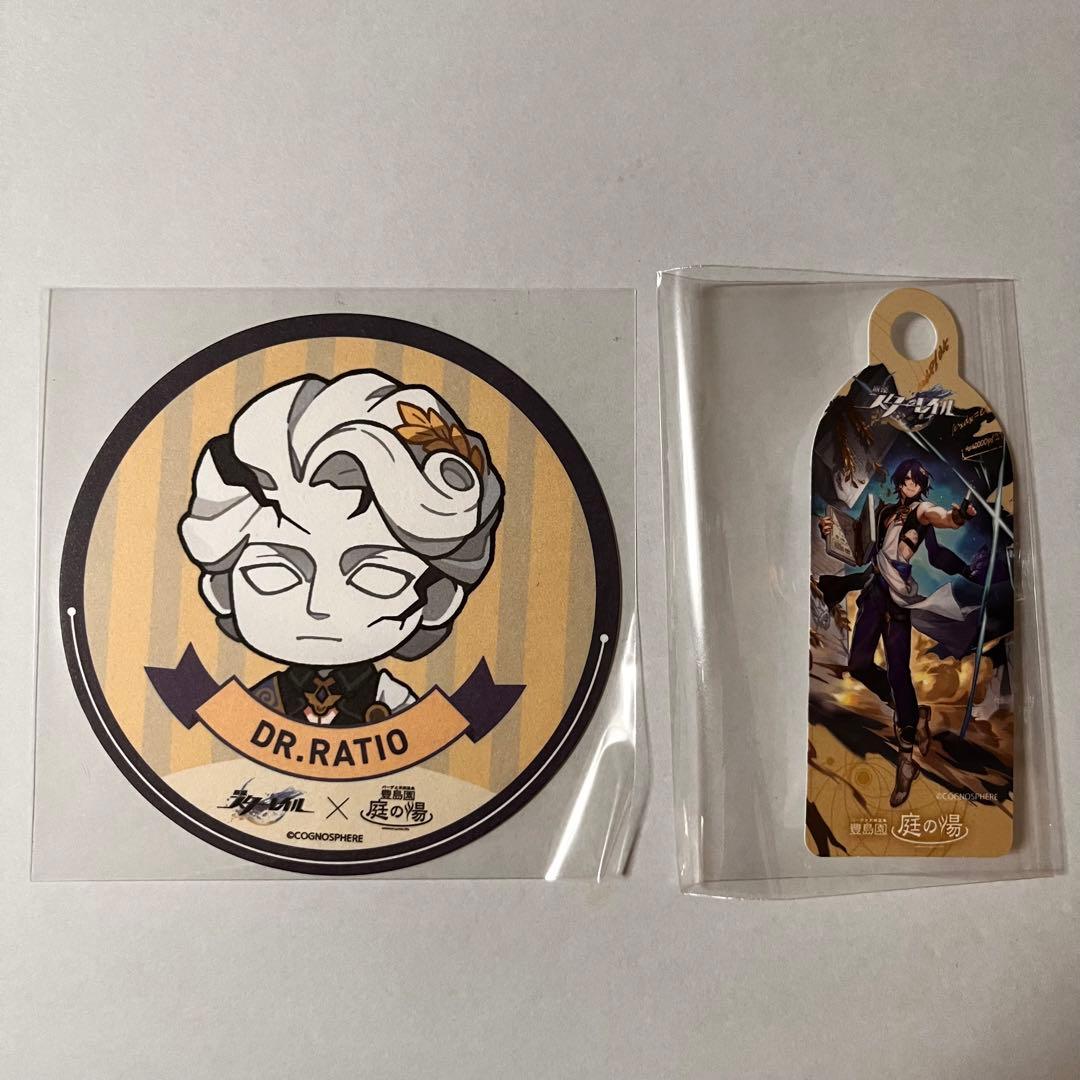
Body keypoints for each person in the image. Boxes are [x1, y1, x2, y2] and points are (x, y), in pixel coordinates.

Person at [179, 370, 504, 727]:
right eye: (274, 573)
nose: (319, 607)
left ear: (439, 599)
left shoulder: (398, 706)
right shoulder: (253, 709)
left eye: (376, 576)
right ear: (221, 589)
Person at [818, 460, 984, 806]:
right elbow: (859, 549)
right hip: (874, 591)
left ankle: (906, 762)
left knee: (898, 672)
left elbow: (940, 527)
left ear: (922, 485)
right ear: (898, 482)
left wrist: (959, 517)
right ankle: (911, 712)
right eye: (905, 479)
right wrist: (831, 532)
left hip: (897, 600)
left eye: (915, 480)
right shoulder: (884, 511)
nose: (910, 484)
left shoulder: (922, 511)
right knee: (859, 665)